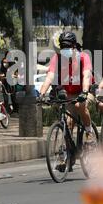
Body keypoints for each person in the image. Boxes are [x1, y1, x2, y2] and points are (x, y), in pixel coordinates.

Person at [38, 31, 94, 172]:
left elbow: (86, 75)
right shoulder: (57, 58)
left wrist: (85, 91)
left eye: (68, 46)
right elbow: (50, 77)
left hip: (84, 91)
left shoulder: (83, 57)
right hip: (68, 93)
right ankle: (68, 156)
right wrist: (41, 94)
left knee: (79, 104)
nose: (65, 49)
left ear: (74, 46)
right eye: (62, 46)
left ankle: (89, 132)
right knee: (67, 124)